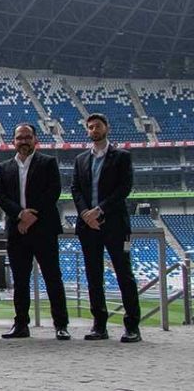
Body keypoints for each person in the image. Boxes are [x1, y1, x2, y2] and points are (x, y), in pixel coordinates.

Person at [0, 123, 70, 340]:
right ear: (13, 141)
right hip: (17, 230)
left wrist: (32, 215)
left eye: (28, 137)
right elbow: (1, 196)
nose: (24, 141)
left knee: (52, 277)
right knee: (20, 280)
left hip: (44, 228)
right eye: (20, 138)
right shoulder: (5, 167)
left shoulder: (48, 162)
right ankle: (21, 324)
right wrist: (20, 215)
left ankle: (61, 324)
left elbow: (53, 191)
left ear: (35, 139)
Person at [72, 113, 142, 343]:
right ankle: (99, 325)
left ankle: (132, 326)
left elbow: (124, 188)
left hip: (114, 224)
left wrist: (99, 210)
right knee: (94, 276)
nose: (94, 130)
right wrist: (85, 213)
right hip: (88, 225)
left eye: (98, 126)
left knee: (124, 274)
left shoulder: (122, 156)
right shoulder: (81, 159)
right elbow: (76, 190)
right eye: (90, 127)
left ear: (107, 128)